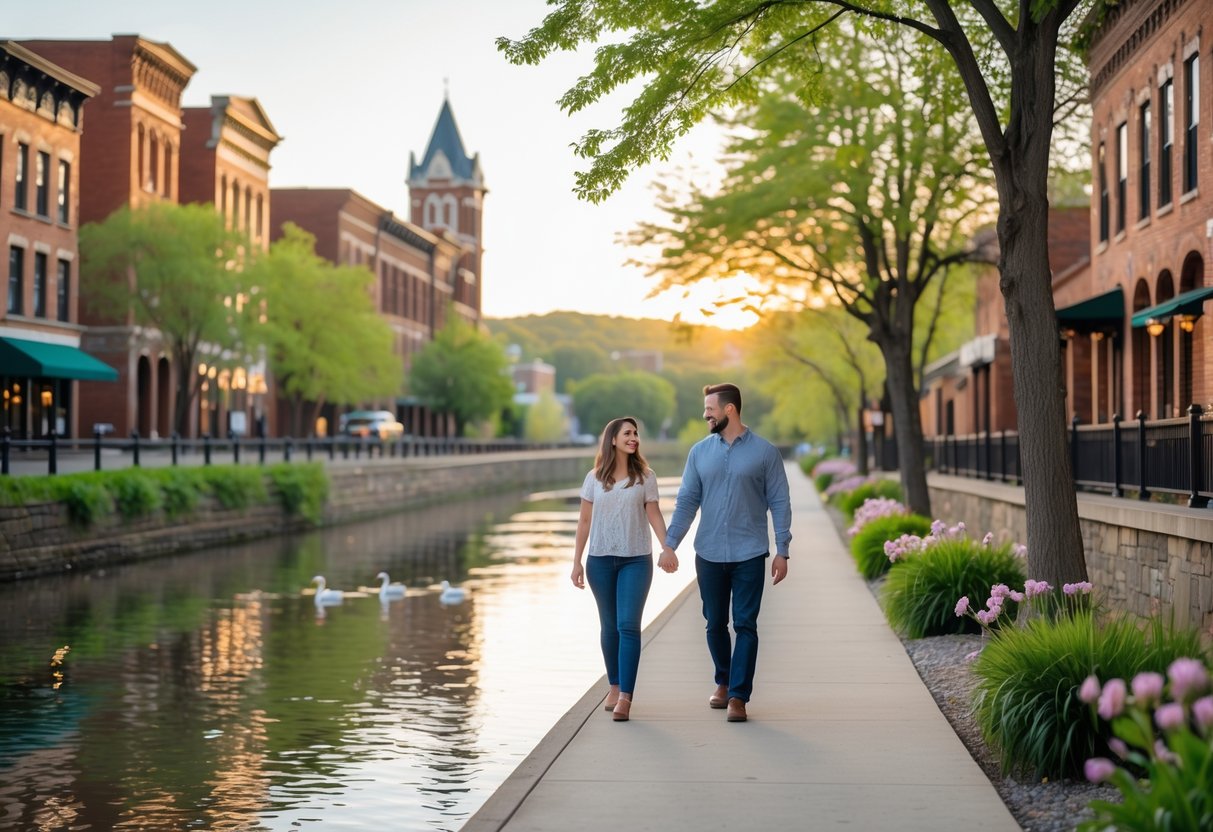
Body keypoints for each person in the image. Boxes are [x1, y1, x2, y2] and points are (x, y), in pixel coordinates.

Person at [664, 383, 791, 723]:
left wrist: (783, 550)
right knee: (714, 623)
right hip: (708, 553)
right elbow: (687, 501)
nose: (705, 414)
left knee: (746, 624)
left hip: (750, 552)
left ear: (729, 409)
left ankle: (738, 696)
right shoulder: (699, 453)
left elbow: (780, 503)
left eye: (710, 409)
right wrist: (670, 543)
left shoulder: (765, 453)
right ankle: (722, 680)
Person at [572, 416, 679, 722]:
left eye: (636, 434)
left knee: (628, 626)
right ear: (613, 440)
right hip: (599, 561)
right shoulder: (593, 478)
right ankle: (614, 685)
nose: (634, 438)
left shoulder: (646, 477)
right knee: (609, 626)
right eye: (628, 434)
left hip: (636, 560)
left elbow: (654, 514)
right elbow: (583, 522)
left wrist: (667, 546)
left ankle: (626, 698)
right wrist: (576, 561)